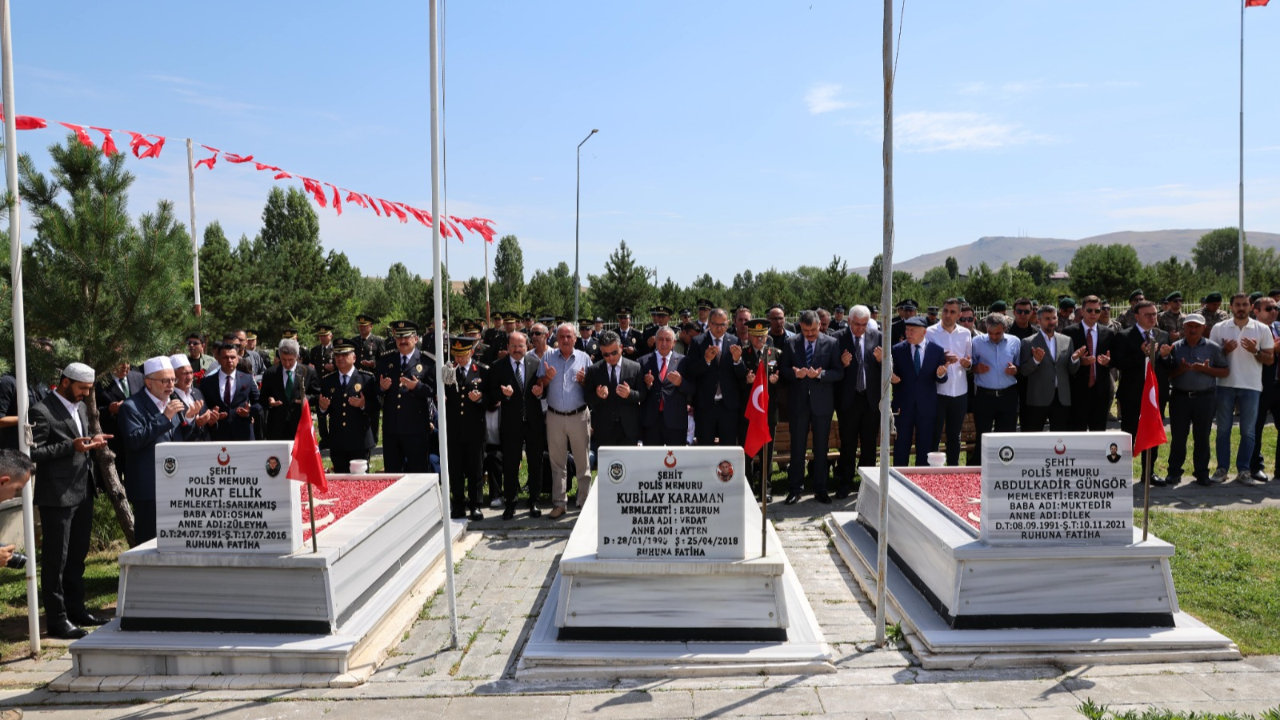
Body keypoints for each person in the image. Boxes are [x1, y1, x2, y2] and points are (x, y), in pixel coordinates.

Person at [29, 363, 113, 639]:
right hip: (57, 497)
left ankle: (77, 610)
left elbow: (80, 442)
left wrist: (92, 440)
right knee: (56, 560)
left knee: (77, 557)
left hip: (82, 490)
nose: (86, 394)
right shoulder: (41, 411)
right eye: (82, 389)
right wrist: (70, 447)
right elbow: (33, 454)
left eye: (89, 390)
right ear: (65, 382)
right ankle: (57, 619)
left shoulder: (80, 408)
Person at [119, 357, 206, 544]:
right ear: (148, 382)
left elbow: (177, 437)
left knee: (175, 538)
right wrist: (164, 418)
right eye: (164, 381)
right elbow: (134, 440)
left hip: (174, 482)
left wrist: (190, 420)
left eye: (173, 380)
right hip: (148, 486)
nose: (170, 385)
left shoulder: (172, 400)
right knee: (150, 540)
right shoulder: (131, 406)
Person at [1209, 292, 1275, 484]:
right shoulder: (1220, 328)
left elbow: (1269, 359)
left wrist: (1255, 351)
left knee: (1248, 431)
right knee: (1223, 430)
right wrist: (1224, 351)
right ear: (1231, 307)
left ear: (1250, 306)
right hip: (1224, 385)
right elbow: (1212, 357)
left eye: (1245, 304)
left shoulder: (1261, 329)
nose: (1241, 308)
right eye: (1237, 304)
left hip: (1251, 386)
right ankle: (1222, 469)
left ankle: (1244, 470)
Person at [781, 309, 843, 504]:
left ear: (819, 326)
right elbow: (783, 370)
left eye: (813, 331)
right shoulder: (791, 343)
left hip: (822, 403)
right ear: (800, 326)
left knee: (820, 447)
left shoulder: (831, 343)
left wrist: (820, 375)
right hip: (799, 402)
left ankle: (820, 489)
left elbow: (839, 373)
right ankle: (795, 489)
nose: (810, 334)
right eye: (806, 331)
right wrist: (794, 374)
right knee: (797, 447)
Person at [1162, 314, 1228, 486]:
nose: (1193, 329)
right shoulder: (1174, 347)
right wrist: (1181, 370)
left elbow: (1224, 371)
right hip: (1180, 397)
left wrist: (1206, 370)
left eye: (1197, 326)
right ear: (1183, 328)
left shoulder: (1213, 348)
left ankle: (1201, 473)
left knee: (1202, 437)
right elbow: (1167, 374)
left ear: (1203, 328)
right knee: (1178, 437)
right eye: (1189, 326)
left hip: (1204, 398)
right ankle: (1174, 472)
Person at [1113, 299, 1174, 483]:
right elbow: (1118, 363)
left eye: (1154, 314)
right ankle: (1124, 474)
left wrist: (1164, 356)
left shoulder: (1162, 335)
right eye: (1147, 314)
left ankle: (1148, 473)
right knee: (1129, 435)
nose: (1151, 318)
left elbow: (1171, 364)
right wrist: (1141, 354)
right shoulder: (1124, 336)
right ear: (1136, 316)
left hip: (1155, 395)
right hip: (1132, 394)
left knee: (1152, 434)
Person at [486, 331, 545, 519]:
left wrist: (539, 392)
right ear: (508, 347)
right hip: (511, 425)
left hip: (533, 423)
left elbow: (543, 390)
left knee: (535, 463)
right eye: (513, 346)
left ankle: (534, 501)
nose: (517, 350)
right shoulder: (498, 367)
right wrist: (503, 394)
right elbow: (491, 393)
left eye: (521, 346)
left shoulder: (536, 364)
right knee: (510, 465)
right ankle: (510, 503)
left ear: (527, 346)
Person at [538, 323, 594, 517]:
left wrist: (584, 381)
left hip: (578, 416)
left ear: (575, 339)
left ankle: (584, 501)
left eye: (569, 336)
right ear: (556, 338)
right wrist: (547, 378)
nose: (565, 340)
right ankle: (560, 503)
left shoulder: (584, 358)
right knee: (557, 462)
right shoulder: (548, 357)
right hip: (554, 416)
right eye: (561, 336)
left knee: (582, 461)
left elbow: (592, 388)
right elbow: (539, 385)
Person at [833, 306, 882, 498]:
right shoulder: (837, 338)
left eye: (864, 325)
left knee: (869, 444)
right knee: (848, 444)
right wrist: (842, 364)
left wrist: (880, 360)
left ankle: (868, 485)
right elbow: (831, 368)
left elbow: (887, 367)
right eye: (857, 324)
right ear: (849, 321)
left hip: (870, 399)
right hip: (849, 399)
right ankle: (845, 482)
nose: (860, 329)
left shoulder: (877, 336)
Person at [377, 321, 436, 472]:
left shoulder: (427, 362)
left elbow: (435, 392)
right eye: (398, 338)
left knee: (418, 472)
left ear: (416, 339)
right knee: (392, 472)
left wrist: (417, 387)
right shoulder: (386, 360)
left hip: (416, 428)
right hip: (392, 428)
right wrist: (382, 388)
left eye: (406, 338)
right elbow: (375, 391)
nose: (402, 341)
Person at [685, 308, 747, 446]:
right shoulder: (698, 342)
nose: (719, 328)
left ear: (728, 323)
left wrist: (738, 361)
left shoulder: (735, 341)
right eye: (715, 324)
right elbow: (690, 371)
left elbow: (741, 375)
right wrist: (706, 360)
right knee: (705, 448)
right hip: (706, 406)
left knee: (728, 447)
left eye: (722, 325)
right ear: (709, 324)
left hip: (728, 406)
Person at [317, 339, 380, 473]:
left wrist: (364, 405)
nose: (340, 358)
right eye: (337, 355)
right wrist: (322, 408)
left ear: (354, 357)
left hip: (360, 441)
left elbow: (376, 406)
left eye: (345, 354)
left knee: (360, 482)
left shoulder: (366, 379)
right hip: (338, 441)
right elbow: (322, 410)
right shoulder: (328, 381)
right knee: (341, 481)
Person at [890, 317, 947, 466]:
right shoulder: (897, 350)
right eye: (907, 330)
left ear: (924, 332)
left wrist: (941, 374)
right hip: (903, 407)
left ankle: (922, 481)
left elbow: (940, 377)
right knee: (901, 447)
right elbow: (891, 373)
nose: (908, 333)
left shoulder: (936, 351)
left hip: (926, 407)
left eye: (912, 331)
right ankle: (899, 480)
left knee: (925, 447)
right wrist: (891, 377)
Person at [444, 337, 488, 521]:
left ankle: (475, 505)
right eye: (456, 355)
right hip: (454, 429)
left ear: (470, 352)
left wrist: (479, 400)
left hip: (474, 428)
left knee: (475, 469)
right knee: (455, 470)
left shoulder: (482, 371)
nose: (459, 359)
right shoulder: (449, 371)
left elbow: (492, 399)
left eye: (463, 355)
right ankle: (458, 504)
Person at [738, 319, 782, 499]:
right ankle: (748, 488)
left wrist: (776, 381)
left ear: (767, 336)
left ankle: (766, 490)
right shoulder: (742, 355)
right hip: (748, 412)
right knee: (747, 451)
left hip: (768, 412)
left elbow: (784, 379)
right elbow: (733, 381)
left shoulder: (775, 354)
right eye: (755, 336)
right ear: (749, 336)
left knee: (767, 452)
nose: (759, 340)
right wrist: (744, 380)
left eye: (762, 336)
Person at [924, 299, 971, 466]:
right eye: (945, 311)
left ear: (959, 315)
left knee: (954, 435)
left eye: (952, 312)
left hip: (959, 391)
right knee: (934, 434)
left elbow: (968, 359)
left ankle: (953, 470)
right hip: (937, 392)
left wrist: (968, 364)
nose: (947, 315)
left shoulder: (965, 333)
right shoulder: (930, 332)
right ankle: (932, 472)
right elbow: (924, 362)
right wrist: (942, 359)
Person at [1020, 305, 1081, 432]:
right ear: (1039, 321)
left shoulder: (1067, 340)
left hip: (1061, 398)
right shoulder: (1028, 342)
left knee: (1059, 440)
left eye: (1054, 318)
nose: (1052, 322)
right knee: (1034, 437)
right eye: (1047, 318)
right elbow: (1024, 371)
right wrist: (1035, 360)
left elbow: (1071, 370)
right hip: (1038, 399)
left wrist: (1074, 359)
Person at [969, 312, 1021, 463]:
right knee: (982, 436)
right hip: (985, 396)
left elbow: (1019, 366)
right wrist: (976, 368)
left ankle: (1003, 467)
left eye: (997, 333)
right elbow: (969, 366)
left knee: (1005, 437)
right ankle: (979, 468)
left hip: (1008, 396)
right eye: (990, 333)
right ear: (986, 328)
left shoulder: (1015, 342)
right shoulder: (977, 342)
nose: (993, 337)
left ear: (1005, 328)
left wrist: (1015, 370)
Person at [1063, 295, 1116, 432]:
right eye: (1090, 310)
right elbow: (1064, 360)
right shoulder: (1070, 332)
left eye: (1097, 311)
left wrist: (1109, 362)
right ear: (1082, 310)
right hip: (1078, 391)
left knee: (1098, 432)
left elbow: (1116, 358)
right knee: (1076, 432)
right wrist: (1079, 361)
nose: (1093, 314)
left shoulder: (1109, 333)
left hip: (1100, 390)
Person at [585, 330, 645, 450]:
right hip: (605, 429)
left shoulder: (635, 367)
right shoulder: (594, 370)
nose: (611, 357)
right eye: (606, 354)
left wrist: (630, 394)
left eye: (614, 352)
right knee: (607, 467)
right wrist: (598, 395)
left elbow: (642, 395)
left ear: (621, 347)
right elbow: (587, 397)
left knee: (629, 466)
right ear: (601, 351)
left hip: (628, 429)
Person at [639, 326, 694, 446]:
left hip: (675, 421)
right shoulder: (642, 362)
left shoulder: (684, 362)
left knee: (676, 461)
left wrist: (681, 383)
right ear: (655, 340)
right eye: (661, 339)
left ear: (674, 342)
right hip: (651, 421)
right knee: (653, 461)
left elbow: (693, 388)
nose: (664, 343)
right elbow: (638, 392)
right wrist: (647, 385)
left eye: (668, 340)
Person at [260, 339, 320, 441]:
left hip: (300, 424)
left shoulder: (308, 372)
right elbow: (262, 397)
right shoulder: (270, 373)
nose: (287, 364)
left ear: (297, 357)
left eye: (291, 360)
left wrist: (307, 399)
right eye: (284, 359)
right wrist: (270, 401)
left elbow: (317, 395)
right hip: (276, 426)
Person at [199, 343, 261, 441]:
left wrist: (249, 412)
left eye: (232, 357)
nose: (229, 360)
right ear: (218, 359)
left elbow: (259, 402)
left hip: (243, 434)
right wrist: (211, 414)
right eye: (225, 357)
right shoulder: (207, 382)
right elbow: (202, 406)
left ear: (237, 359)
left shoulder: (247, 379)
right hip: (218, 434)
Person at [95, 361, 142, 483]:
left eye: (127, 362)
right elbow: (90, 411)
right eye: (120, 362)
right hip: (113, 440)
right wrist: (110, 409)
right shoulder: (99, 381)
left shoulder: (137, 377)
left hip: (137, 438)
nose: (125, 366)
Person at [1250, 296, 1280, 481]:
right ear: (1256, 311)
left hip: (1279, 385)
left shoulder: (1278, 327)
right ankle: (1255, 467)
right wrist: (1272, 348)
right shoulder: (1251, 329)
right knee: (1256, 428)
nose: (1274, 312)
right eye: (1269, 309)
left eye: (1275, 308)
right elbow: (1255, 352)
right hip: (1259, 385)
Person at [168, 355, 217, 442]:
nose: (190, 377)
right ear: (174, 375)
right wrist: (194, 423)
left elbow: (206, 423)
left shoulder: (197, 392)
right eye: (185, 373)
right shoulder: (169, 398)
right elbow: (174, 431)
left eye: (191, 373)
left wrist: (211, 421)